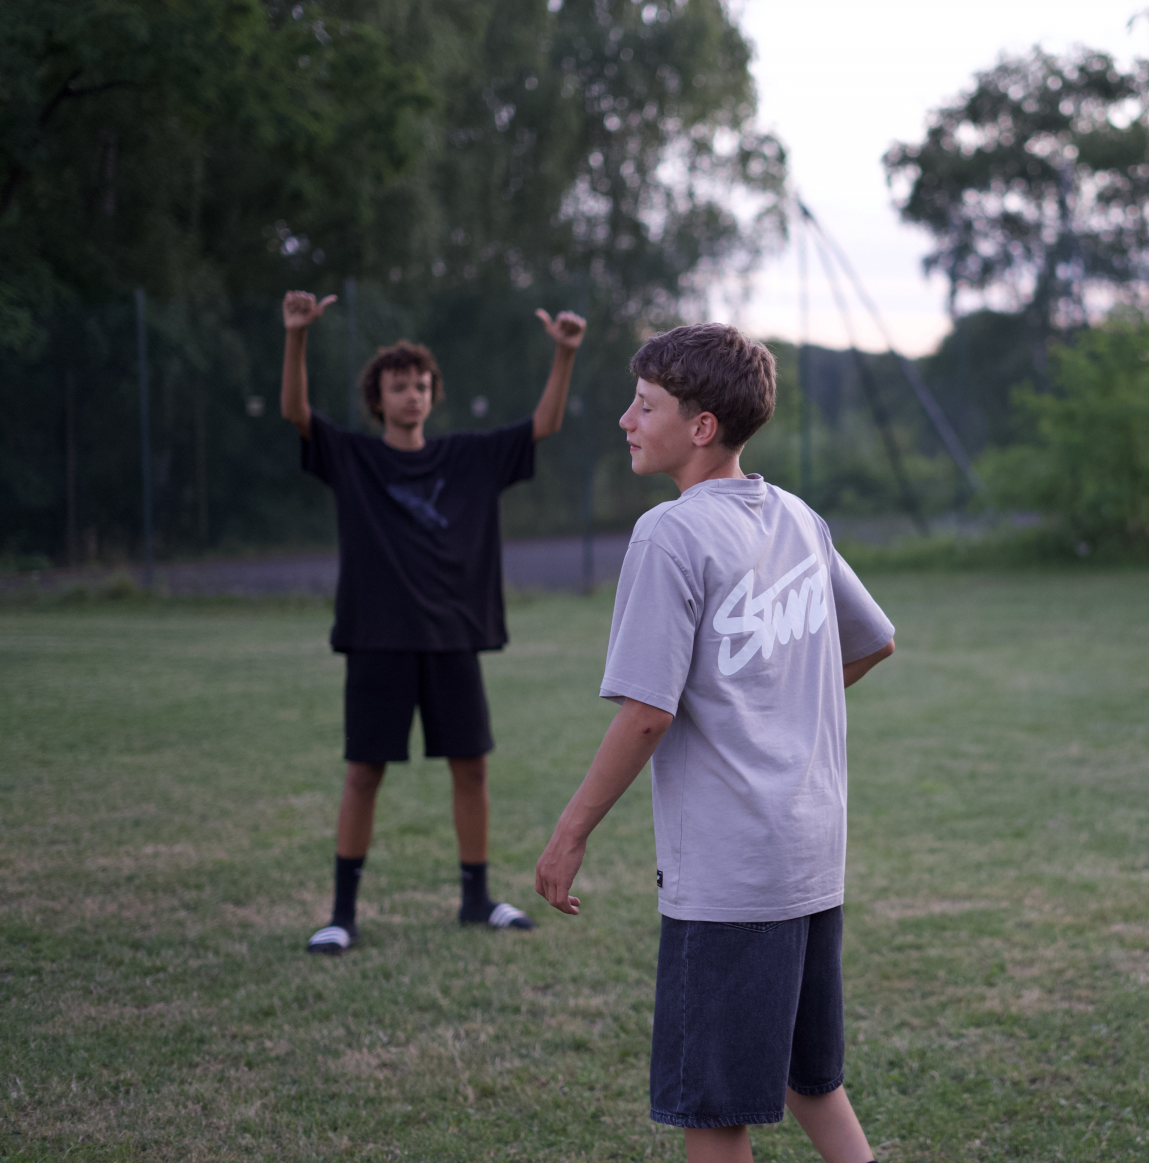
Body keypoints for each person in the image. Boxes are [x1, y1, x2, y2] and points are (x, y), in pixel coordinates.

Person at [534, 323, 895, 1163]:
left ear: (700, 426)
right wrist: (765, 701)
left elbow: (646, 713)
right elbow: (874, 641)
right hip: (810, 852)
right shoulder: (798, 518)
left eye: (644, 405)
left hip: (731, 874)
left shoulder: (670, 532)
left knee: (715, 1111)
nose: (626, 419)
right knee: (811, 1080)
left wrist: (569, 833)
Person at [280, 289, 586, 955]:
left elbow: (544, 423)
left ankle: (476, 900)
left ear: (433, 394)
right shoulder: (354, 457)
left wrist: (564, 354)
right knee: (364, 773)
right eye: (399, 386)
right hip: (378, 641)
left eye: (421, 385)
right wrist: (297, 335)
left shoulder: (468, 457)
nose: (412, 395)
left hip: (452, 639)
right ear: (378, 398)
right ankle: (341, 915)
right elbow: (296, 413)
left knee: (471, 768)